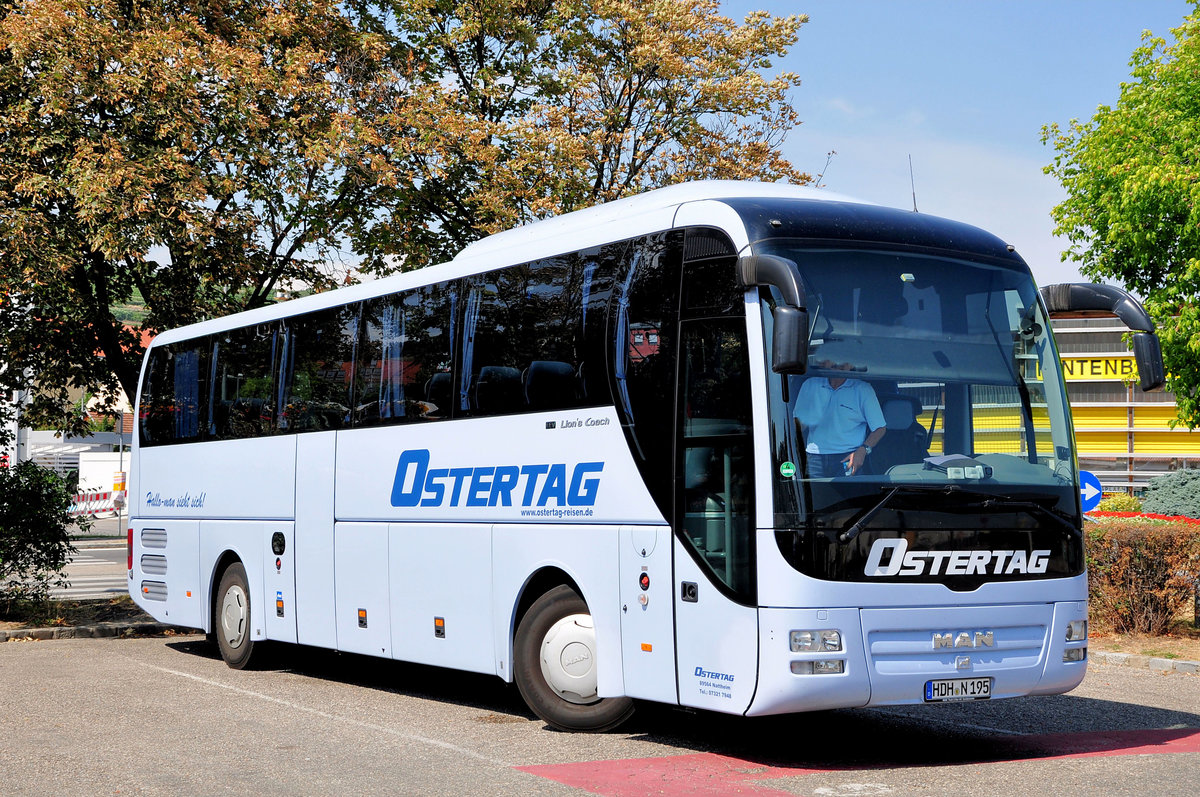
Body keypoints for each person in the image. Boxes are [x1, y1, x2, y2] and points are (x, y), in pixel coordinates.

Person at [793, 363, 886, 477]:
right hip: (814, 457)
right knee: (812, 494)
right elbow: (798, 425)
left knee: (851, 495)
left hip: (849, 456)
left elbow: (880, 428)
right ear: (823, 362)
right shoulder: (810, 384)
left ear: (851, 364)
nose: (838, 362)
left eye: (843, 358)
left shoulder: (863, 389)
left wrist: (863, 450)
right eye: (833, 356)